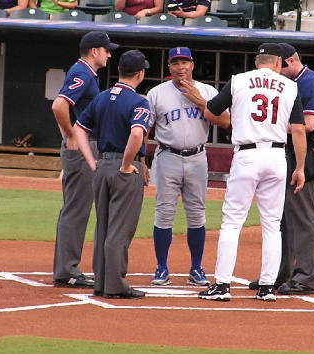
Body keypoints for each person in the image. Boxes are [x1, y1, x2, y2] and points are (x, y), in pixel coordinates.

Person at [197, 43, 306, 302]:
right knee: (271, 225)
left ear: (257, 62)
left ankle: (222, 285)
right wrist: (300, 167)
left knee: (232, 222)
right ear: (278, 63)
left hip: (247, 155)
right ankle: (267, 287)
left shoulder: (239, 80)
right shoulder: (290, 86)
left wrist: (238, 117)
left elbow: (210, 112)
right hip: (277, 156)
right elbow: (299, 130)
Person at [146, 46, 229, 287]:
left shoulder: (208, 91)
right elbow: (145, 128)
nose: (181, 67)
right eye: (175, 63)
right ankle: (161, 267)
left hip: (197, 157)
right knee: (164, 213)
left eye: (185, 62)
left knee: (196, 214)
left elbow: (225, 121)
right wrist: (141, 159)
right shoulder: (157, 93)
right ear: (169, 67)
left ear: (192, 64)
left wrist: (200, 101)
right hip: (167, 157)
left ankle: (196, 268)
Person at [73, 50, 150, 299]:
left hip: (102, 166)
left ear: (119, 71)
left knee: (103, 228)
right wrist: (127, 164)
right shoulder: (139, 101)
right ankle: (115, 285)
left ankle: (102, 283)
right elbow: (137, 134)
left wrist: (91, 162)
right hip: (123, 170)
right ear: (140, 73)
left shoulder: (102, 97)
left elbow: (78, 128)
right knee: (119, 230)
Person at [248, 43, 314, 295]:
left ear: (289, 62)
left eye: (278, 66)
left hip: (298, 154)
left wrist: (272, 126)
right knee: (279, 219)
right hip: (279, 153)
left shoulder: (309, 80)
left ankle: (305, 278)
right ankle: (278, 275)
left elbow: (309, 124)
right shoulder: (284, 83)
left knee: (302, 219)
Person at [51, 31, 119, 289]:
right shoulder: (81, 72)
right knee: (76, 209)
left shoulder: (87, 73)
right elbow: (59, 106)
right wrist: (71, 135)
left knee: (76, 208)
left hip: (86, 145)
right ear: (94, 51)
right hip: (82, 146)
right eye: (106, 50)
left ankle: (66, 268)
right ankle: (67, 270)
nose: (109, 54)